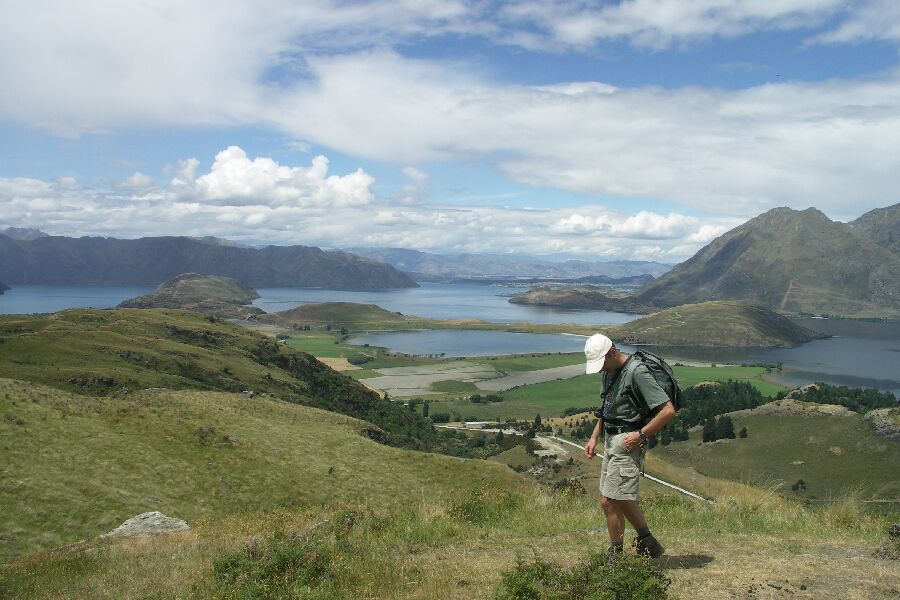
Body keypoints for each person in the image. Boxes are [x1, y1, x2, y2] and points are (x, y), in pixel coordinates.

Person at [582, 333, 675, 559]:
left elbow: (668, 411)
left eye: (602, 363)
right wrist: (595, 437)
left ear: (612, 351)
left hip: (627, 441)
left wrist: (641, 436)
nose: (601, 369)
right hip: (611, 441)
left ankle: (615, 556)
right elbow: (607, 409)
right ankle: (648, 542)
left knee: (608, 501)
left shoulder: (637, 372)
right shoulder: (610, 371)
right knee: (621, 497)